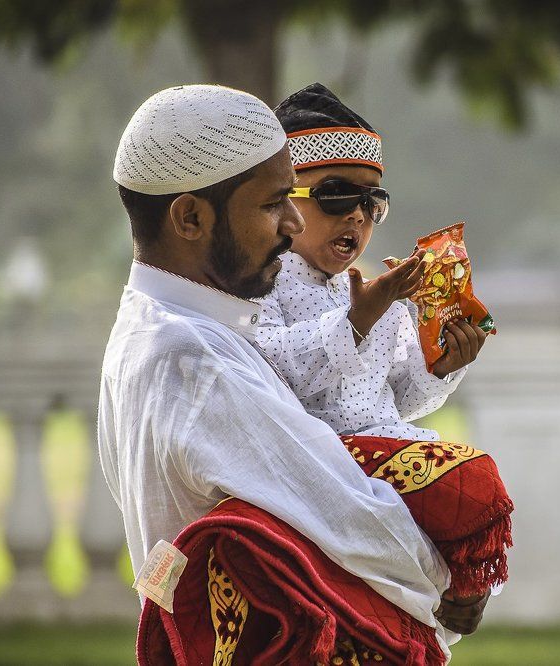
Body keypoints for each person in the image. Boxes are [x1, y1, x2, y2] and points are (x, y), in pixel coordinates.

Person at [98, 84, 485, 660]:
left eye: (370, 203)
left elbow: (375, 400)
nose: (289, 225)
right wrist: (451, 577)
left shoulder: (153, 326)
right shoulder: (194, 357)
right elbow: (342, 510)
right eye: (273, 203)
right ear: (190, 217)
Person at [255, 82, 490, 445]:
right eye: (336, 195)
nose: (357, 216)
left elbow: (394, 400)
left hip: (383, 457)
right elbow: (273, 371)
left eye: (371, 201)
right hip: (321, 461)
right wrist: (356, 321)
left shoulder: (373, 295)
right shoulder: (257, 282)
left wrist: (442, 364)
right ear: (282, 200)